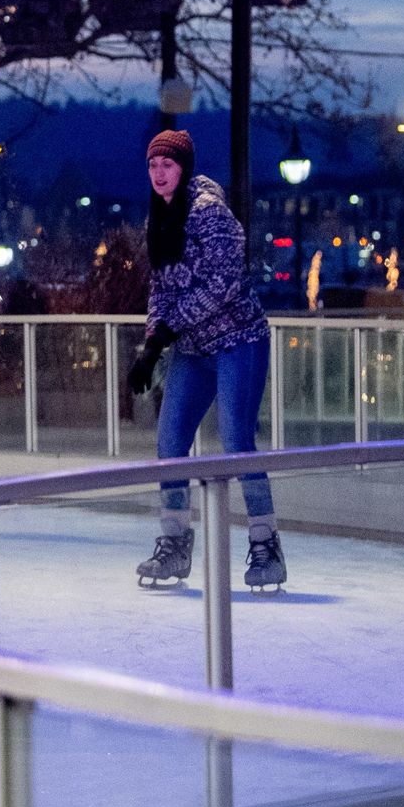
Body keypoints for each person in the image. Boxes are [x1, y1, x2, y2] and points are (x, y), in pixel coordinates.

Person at [126, 130, 285, 592]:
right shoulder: (158, 217)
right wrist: (152, 343)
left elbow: (225, 283)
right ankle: (175, 543)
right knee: (170, 441)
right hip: (194, 350)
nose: (159, 173)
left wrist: (168, 330)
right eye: (153, 165)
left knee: (236, 439)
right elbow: (160, 288)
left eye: (168, 165)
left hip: (239, 341)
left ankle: (266, 544)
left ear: (184, 168)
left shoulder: (209, 213)